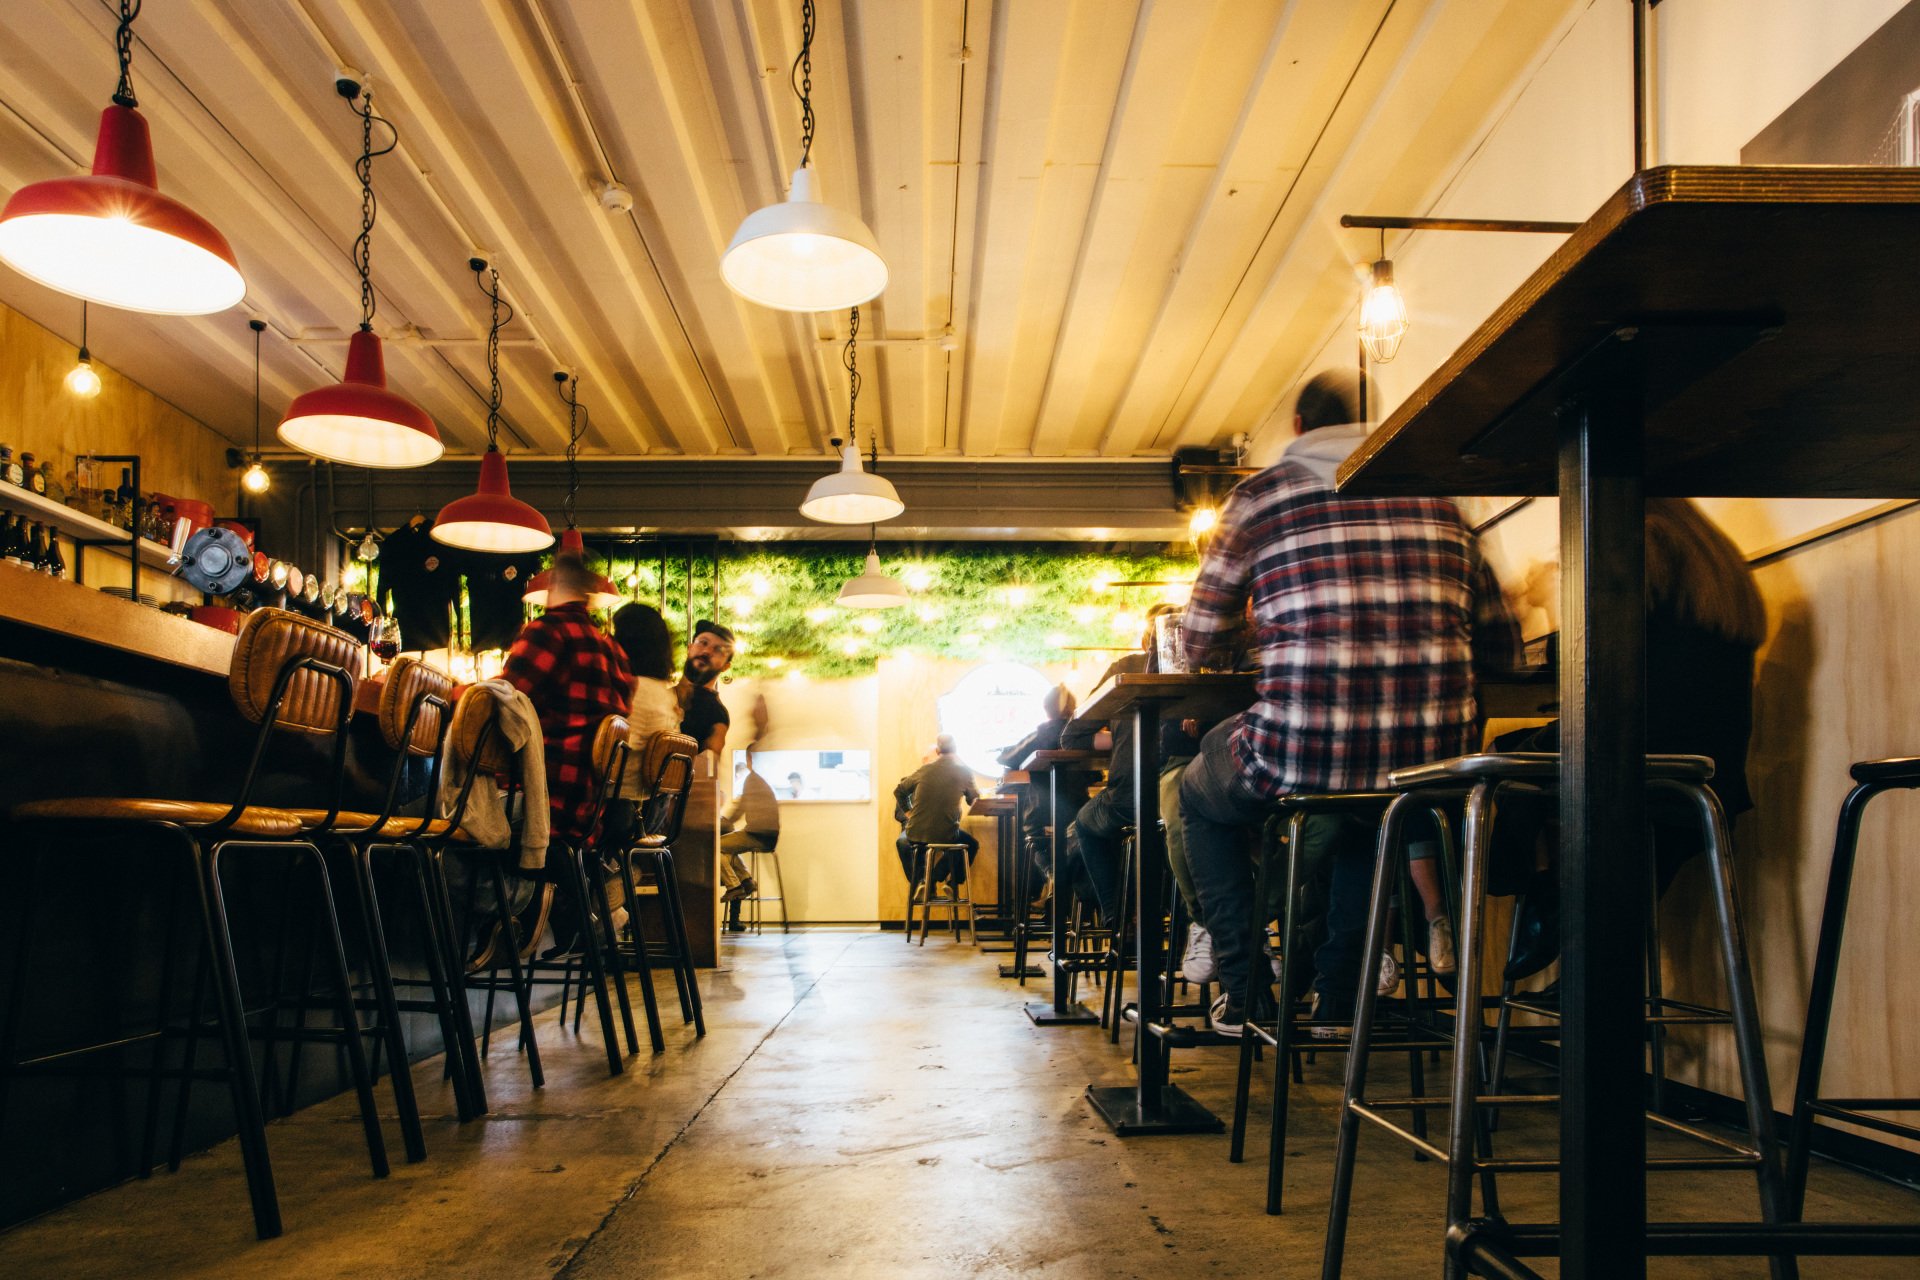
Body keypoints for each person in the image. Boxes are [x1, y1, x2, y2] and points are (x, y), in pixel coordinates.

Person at [1179, 368, 1522, 1035]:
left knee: (1197, 795)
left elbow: (1196, 640)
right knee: (1376, 810)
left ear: (1298, 427)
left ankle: (1247, 993)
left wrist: (1267, 626)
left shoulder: (1261, 496)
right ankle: (1340, 1000)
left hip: (1299, 751)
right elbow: (1503, 647)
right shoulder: (1442, 501)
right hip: (1431, 766)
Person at [1491, 497, 1766, 980]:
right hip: (1710, 776)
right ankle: (1584, 934)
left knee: (1507, 759)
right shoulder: (1717, 562)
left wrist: (1549, 600)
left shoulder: (1639, 541)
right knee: (1537, 757)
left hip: (1635, 757)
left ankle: (1549, 897)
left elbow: (1584, 662)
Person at [1060, 605, 1178, 924]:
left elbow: (1072, 736)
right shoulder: (1200, 668)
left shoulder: (1126, 668)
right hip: (1186, 797)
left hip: (1131, 798)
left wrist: (1124, 735)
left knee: (1084, 824)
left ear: (1144, 641)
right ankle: (1176, 920)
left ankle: (1117, 916)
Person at [995, 684, 1078, 903]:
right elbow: (1095, 775)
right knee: (1080, 836)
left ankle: (1054, 877)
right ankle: (1071, 885)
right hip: (1079, 808)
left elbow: (1009, 757)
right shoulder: (1080, 732)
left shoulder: (1044, 732)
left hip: (1044, 810)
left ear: (1046, 708)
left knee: (1032, 836)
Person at [893, 735, 980, 898]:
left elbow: (899, 791)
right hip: (946, 835)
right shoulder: (964, 772)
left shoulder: (924, 771)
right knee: (971, 844)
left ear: (938, 751)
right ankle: (950, 883)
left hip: (916, 833)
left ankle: (925, 883)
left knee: (914, 843)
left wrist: (909, 812)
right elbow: (973, 800)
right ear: (956, 750)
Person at [610, 602, 681, 800]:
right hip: (651, 799)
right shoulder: (665, 692)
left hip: (617, 797)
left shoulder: (632, 689)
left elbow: (612, 751)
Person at [721, 747, 782, 931]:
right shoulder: (761, 781)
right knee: (728, 850)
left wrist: (722, 822)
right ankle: (745, 881)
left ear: (750, 759)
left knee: (715, 846)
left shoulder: (752, 780)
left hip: (757, 835)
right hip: (767, 837)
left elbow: (739, 809)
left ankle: (735, 886)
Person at [679, 619, 734, 754]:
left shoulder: (716, 715)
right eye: (703, 642)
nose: (707, 651)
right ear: (690, 648)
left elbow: (710, 763)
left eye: (718, 650)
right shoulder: (661, 694)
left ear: (726, 666)